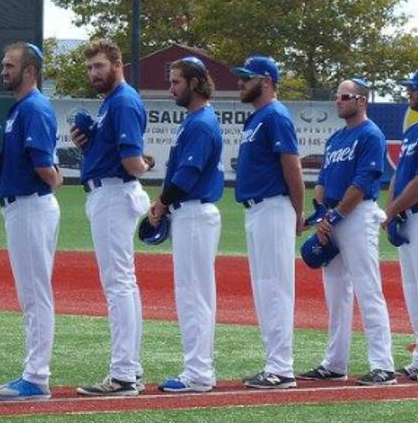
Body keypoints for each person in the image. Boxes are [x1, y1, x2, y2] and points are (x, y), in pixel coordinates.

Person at [72, 38, 153, 397]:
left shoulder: (122, 101)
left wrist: (146, 163)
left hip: (114, 192)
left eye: (99, 66)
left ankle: (122, 374)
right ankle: (129, 369)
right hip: (110, 192)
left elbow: (133, 162)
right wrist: (89, 145)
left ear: (117, 63)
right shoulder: (113, 102)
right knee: (124, 282)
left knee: (118, 283)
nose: (93, 73)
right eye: (90, 68)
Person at [301, 78, 394, 385]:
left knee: (368, 289)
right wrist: (321, 216)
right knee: (336, 294)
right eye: (337, 96)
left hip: (357, 215)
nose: (338, 101)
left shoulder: (370, 135)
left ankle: (383, 365)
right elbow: (323, 181)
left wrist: (336, 216)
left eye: (345, 96)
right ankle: (335, 363)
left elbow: (363, 181)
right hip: (333, 217)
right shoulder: (336, 138)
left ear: (361, 100)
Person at [0, 42, 63, 401]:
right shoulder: (20, 109)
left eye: (10, 65)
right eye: (3, 64)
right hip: (21, 205)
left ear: (30, 71)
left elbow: (43, 166)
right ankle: (33, 374)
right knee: (31, 293)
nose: (3, 70)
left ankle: (36, 377)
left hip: (32, 205)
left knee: (35, 294)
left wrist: (56, 177)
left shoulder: (33, 107)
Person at [147, 57, 224, 393]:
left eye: (176, 82)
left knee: (194, 296)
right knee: (194, 294)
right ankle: (199, 369)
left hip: (193, 211)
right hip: (190, 213)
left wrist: (162, 203)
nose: (171, 89)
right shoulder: (195, 121)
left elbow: (187, 175)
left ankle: (198, 373)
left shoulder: (200, 123)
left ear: (194, 82)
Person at [233, 55, 305, 390]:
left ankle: (282, 368)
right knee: (265, 289)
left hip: (275, 207)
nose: (240, 83)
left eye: (247, 77)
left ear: (266, 80)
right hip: (257, 210)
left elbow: (292, 167)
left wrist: (297, 212)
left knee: (275, 288)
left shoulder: (275, 115)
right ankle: (273, 363)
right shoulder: (257, 118)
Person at [386, 70, 418, 382]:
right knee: (412, 289)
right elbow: (400, 174)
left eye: (414, 89)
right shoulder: (412, 131)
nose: (409, 93)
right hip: (408, 217)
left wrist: (394, 208)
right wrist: (392, 208)